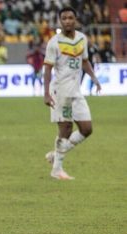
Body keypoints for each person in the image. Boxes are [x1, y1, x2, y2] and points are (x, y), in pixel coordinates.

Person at [43, 7, 101, 180]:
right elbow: (47, 69)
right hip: (60, 91)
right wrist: (46, 93)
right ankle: (57, 170)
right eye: (64, 18)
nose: (67, 21)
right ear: (60, 21)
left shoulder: (82, 39)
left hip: (76, 91)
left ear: (75, 19)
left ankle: (57, 154)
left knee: (87, 129)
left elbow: (84, 62)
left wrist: (94, 78)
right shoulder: (54, 42)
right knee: (66, 129)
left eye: (70, 18)